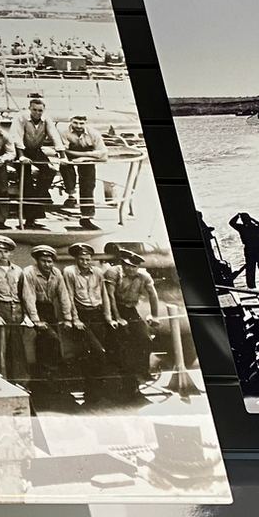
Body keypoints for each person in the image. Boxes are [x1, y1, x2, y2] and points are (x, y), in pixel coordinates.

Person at [21, 244, 76, 404]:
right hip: (35, 310)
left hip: (50, 309)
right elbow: (28, 297)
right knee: (48, 344)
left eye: (50, 261)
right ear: (37, 261)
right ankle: (44, 390)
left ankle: (54, 388)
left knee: (53, 348)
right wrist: (36, 320)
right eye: (44, 261)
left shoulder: (56, 273)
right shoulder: (29, 273)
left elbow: (64, 295)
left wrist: (67, 318)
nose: (47, 264)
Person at [105, 248, 160, 401]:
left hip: (130, 309)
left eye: (134, 266)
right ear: (122, 264)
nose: (130, 269)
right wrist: (117, 318)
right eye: (127, 265)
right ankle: (127, 382)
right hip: (113, 309)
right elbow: (110, 298)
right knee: (122, 344)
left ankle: (141, 371)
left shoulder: (143, 276)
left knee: (145, 339)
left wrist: (154, 315)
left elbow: (153, 294)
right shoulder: (113, 273)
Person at [63, 242, 114, 405]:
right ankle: (91, 392)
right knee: (95, 352)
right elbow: (69, 296)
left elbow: (104, 294)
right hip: (82, 315)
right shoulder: (70, 272)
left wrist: (108, 317)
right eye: (81, 259)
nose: (85, 262)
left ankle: (96, 392)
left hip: (97, 314)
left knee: (98, 354)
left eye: (87, 259)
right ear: (76, 259)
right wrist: (75, 318)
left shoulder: (98, 272)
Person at [10, 95, 63, 230]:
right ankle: (30, 219)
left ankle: (41, 195)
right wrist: (21, 156)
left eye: (40, 110)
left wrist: (62, 154)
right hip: (19, 150)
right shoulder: (21, 118)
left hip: (35, 150)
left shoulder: (46, 120)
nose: (37, 113)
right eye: (34, 110)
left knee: (49, 170)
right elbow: (17, 136)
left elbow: (54, 135)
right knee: (26, 180)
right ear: (29, 109)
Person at [0, 234, 31, 383]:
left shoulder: (18, 270)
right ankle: (2, 380)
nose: (3, 254)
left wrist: (26, 315)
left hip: (17, 311)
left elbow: (24, 294)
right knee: (1, 348)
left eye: (6, 251)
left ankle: (20, 381)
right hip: (1, 309)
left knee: (17, 348)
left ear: (10, 253)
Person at [59, 114, 108, 230]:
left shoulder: (94, 133)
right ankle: (71, 194)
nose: (78, 126)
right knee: (65, 166)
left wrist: (84, 157)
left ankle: (86, 217)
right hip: (70, 157)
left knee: (88, 184)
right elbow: (63, 151)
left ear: (86, 123)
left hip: (86, 160)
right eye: (75, 123)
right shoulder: (64, 132)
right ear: (70, 121)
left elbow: (103, 154)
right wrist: (89, 154)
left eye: (81, 123)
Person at [231, 213, 259, 290]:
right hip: (256, 249)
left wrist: (237, 216)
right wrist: (254, 220)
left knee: (253, 267)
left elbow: (232, 223)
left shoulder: (243, 228)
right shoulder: (254, 227)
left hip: (253, 249)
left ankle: (252, 286)